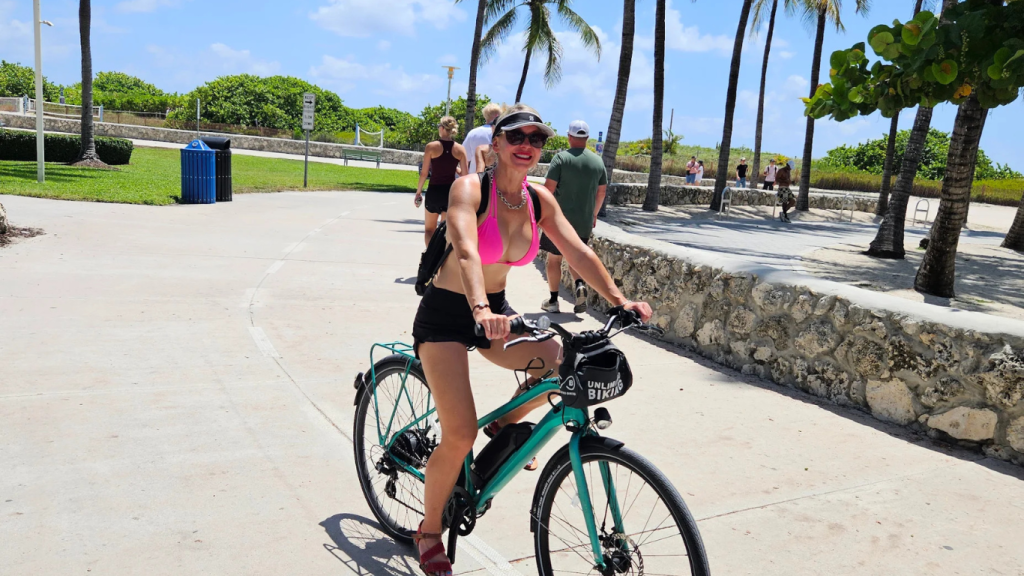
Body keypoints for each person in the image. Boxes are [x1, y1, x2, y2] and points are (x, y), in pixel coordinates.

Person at [411, 104, 653, 576]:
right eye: (517, 136)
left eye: (537, 138)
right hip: (448, 316)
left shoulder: (538, 199)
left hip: (496, 311)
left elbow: (576, 251)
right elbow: (467, 251)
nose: (527, 145)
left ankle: (505, 425)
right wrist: (479, 310)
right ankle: (429, 531)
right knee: (459, 434)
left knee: (563, 364)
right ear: (497, 142)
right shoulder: (468, 188)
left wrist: (621, 300)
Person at [540, 119, 608, 314]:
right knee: (576, 258)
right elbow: (602, 192)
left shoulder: (561, 159)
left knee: (554, 260)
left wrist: (541, 214)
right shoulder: (598, 162)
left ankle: (553, 301)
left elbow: (548, 189)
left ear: (569, 137)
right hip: (583, 221)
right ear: (587, 138)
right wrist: (593, 214)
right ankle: (579, 284)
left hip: (558, 222)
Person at [415, 117, 469, 247]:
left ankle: (430, 256)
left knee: (429, 229)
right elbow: (465, 175)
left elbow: (424, 173)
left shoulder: (431, 147)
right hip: (450, 194)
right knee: (444, 231)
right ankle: (441, 257)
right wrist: (452, 167)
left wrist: (418, 192)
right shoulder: (460, 149)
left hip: (434, 191)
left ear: (442, 128)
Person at [462, 103, 503, 174]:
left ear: (485, 116)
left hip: (475, 176)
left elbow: (464, 157)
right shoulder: (504, 133)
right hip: (498, 176)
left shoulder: (473, 133)